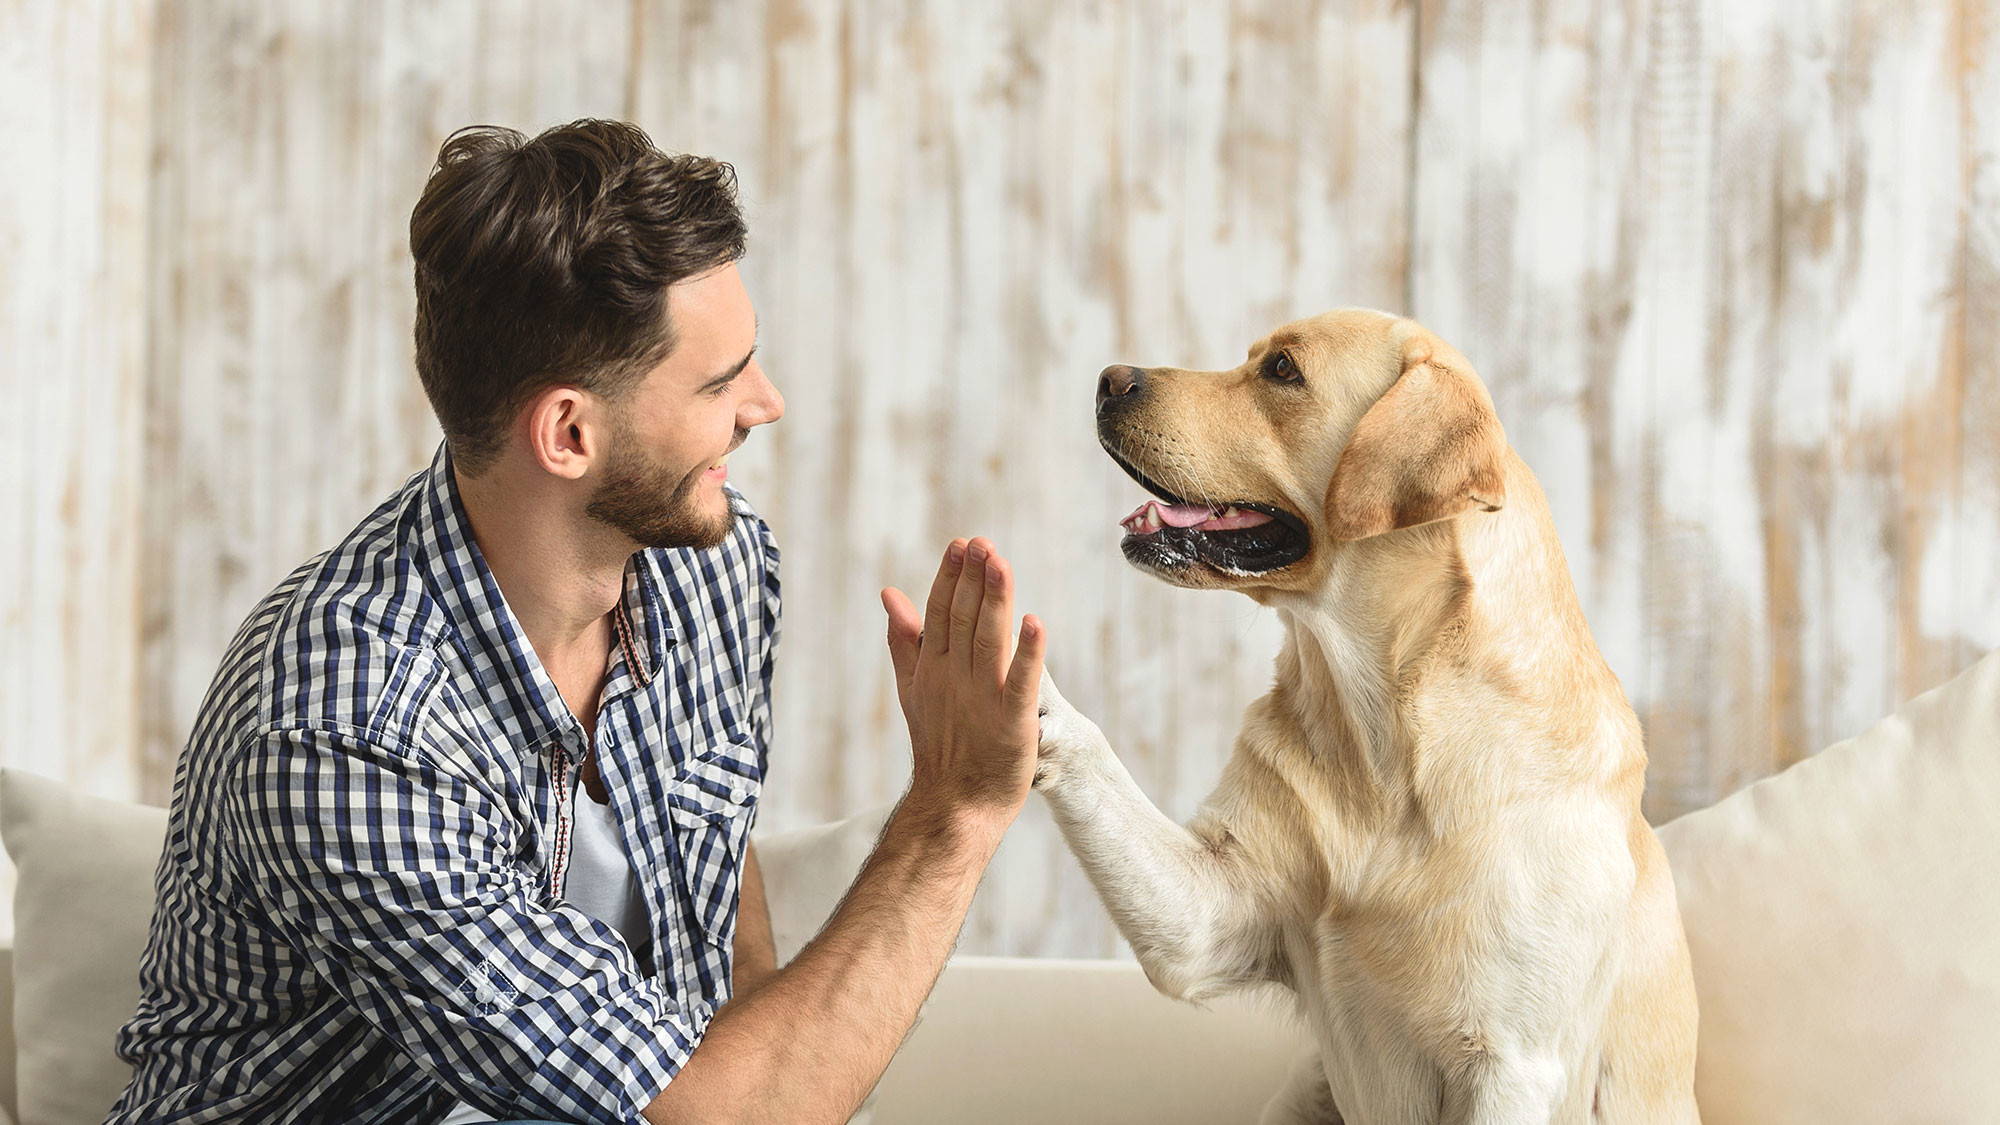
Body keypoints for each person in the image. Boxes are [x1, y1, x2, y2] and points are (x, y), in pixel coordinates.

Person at [106, 119, 1047, 1125]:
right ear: (568, 433)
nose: (763, 405)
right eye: (721, 381)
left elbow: (718, 914)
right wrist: (955, 812)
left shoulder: (713, 572)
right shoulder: (348, 723)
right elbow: (709, 1113)